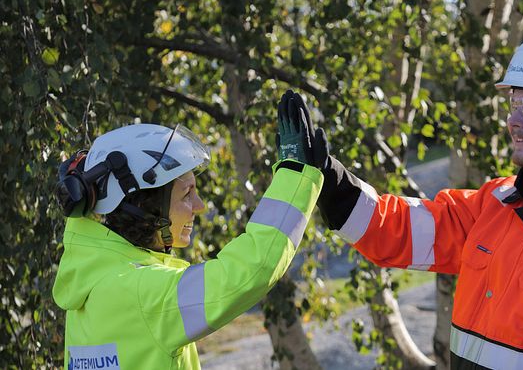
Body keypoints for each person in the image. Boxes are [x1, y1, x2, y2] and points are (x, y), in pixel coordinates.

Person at [278, 27, 523, 370]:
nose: (514, 121)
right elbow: (398, 230)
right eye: (514, 104)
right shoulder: (497, 202)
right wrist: (331, 181)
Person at [53, 122, 323, 369]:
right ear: (144, 204)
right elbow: (250, 270)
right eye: (186, 194)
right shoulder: (142, 292)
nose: (199, 206)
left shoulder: (88, 282)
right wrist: (295, 177)